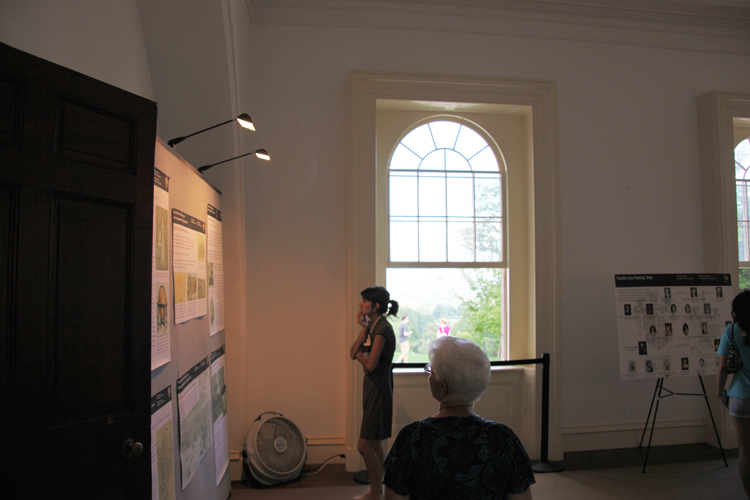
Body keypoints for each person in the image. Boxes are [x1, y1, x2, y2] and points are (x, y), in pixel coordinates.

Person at [383, 336, 535, 500]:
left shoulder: (412, 437)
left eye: (430, 371)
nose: (428, 375)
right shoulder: (504, 438)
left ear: (442, 387)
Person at [350, 286, 399, 500]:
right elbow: (352, 352)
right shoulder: (373, 327)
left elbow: (369, 365)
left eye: (364, 301)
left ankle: (375, 493)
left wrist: (361, 357)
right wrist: (363, 328)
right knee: (376, 443)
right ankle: (378, 492)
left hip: (378, 389)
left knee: (363, 445)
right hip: (373, 387)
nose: (360, 305)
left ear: (376, 305)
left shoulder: (383, 329)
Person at [717, 290, 750, 499]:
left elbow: (722, 368)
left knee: (745, 449)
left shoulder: (731, 331)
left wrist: (720, 393)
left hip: (740, 396)